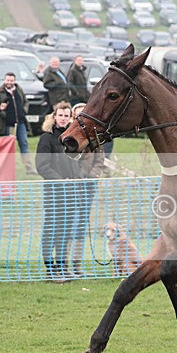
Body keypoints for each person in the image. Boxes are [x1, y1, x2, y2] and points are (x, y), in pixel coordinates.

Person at [36, 102, 82, 281]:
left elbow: (74, 164)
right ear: (54, 116)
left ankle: (62, 265)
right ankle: (50, 269)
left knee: (66, 231)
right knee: (52, 230)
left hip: (71, 194)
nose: (63, 118)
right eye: (60, 115)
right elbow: (42, 166)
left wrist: (76, 183)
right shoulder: (46, 139)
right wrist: (61, 181)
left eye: (66, 115)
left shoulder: (70, 139)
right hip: (54, 194)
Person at [69, 102, 106, 277]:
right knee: (68, 224)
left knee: (81, 225)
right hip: (70, 185)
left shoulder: (93, 139)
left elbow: (99, 160)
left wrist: (92, 176)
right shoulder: (68, 138)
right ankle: (64, 263)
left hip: (88, 186)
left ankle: (76, 263)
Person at [0, 72, 37, 174]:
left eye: (11, 80)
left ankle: (29, 168)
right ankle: (6, 169)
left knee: (24, 144)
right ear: (4, 80)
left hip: (20, 122)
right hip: (6, 124)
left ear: (14, 81)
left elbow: (26, 102)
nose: (9, 82)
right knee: (8, 147)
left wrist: (24, 110)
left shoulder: (19, 89)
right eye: (7, 80)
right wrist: (3, 112)